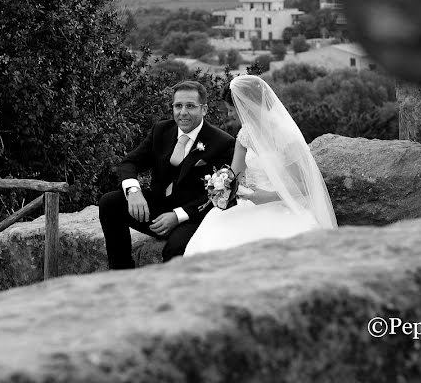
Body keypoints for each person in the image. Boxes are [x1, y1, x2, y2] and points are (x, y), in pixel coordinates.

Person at [184, 75, 338, 255]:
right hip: (251, 203)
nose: (230, 114)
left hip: (284, 205)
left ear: (246, 106)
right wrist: (221, 186)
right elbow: (236, 175)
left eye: (231, 109)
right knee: (215, 235)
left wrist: (268, 197)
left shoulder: (283, 135)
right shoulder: (245, 134)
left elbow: (305, 186)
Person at [99, 80, 235, 268]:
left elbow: (220, 193)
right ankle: (122, 274)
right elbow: (130, 162)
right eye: (178, 105)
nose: (183, 112)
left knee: (175, 249)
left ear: (204, 109)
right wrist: (133, 191)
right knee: (109, 203)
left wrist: (178, 215)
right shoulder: (161, 130)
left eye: (190, 106)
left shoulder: (223, 142)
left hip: (193, 217)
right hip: (158, 207)